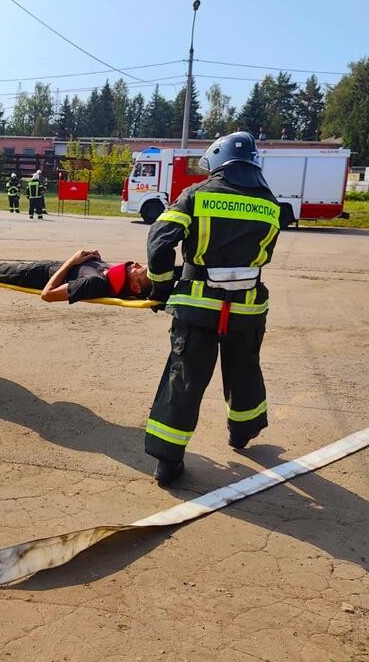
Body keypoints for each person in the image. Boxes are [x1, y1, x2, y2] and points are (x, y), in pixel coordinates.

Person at [144, 131, 280, 486]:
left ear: (218, 160)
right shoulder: (270, 203)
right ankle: (242, 433)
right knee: (244, 370)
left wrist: (160, 286)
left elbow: (160, 241)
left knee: (184, 379)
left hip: (198, 308)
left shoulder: (197, 195)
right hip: (247, 309)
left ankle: (168, 463)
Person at [0, 249, 151, 303]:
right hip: (48, 266)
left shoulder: (94, 283)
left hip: (36, 274)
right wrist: (97, 260)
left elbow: (47, 295)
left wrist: (72, 260)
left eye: (139, 269)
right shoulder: (112, 274)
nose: (135, 264)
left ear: (135, 287)